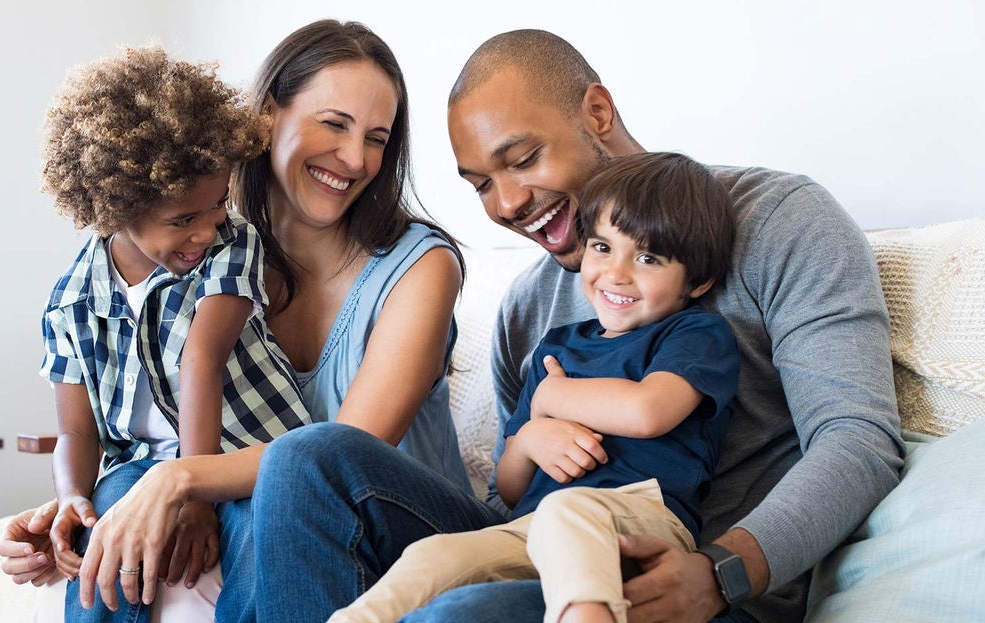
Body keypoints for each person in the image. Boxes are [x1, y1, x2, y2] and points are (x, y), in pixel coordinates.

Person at [252, 29, 904, 623]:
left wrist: (720, 572)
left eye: (524, 158)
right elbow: (515, 494)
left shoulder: (780, 221)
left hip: (695, 583)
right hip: (545, 548)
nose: (506, 204)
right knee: (305, 459)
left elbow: (858, 440)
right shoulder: (528, 306)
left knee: (458, 615)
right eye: (481, 183)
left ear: (597, 114)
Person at [0, 20, 486, 623]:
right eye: (334, 124)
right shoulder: (201, 252)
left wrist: (179, 481)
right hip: (272, 516)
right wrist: (79, 509)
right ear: (268, 115)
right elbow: (128, 413)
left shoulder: (420, 266)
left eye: (377, 138)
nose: (356, 158)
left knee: (297, 468)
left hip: (401, 528)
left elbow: (337, 456)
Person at [331, 151, 740, 623]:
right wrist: (529, 439)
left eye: (648, 258)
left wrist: (552, 399)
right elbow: (508, 487)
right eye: (603, 247)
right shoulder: (557, 348)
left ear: (698, 280)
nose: (616, 273)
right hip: (534, 526)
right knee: (433, 557)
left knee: (568, 512)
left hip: (640, 517)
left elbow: (648, 412)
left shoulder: (693, 334)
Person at [34, 46, 315, 621]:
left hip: (245, 454)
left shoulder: (233, 243)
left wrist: (194, 494)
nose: (206, 231)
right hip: (138, 466)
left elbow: (202, 359)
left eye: (216, 205)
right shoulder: (71, 301)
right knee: (105, 526)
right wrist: (71, 500)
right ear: (115, 210)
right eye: (182, 220)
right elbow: (75, 431)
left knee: (267, 529)